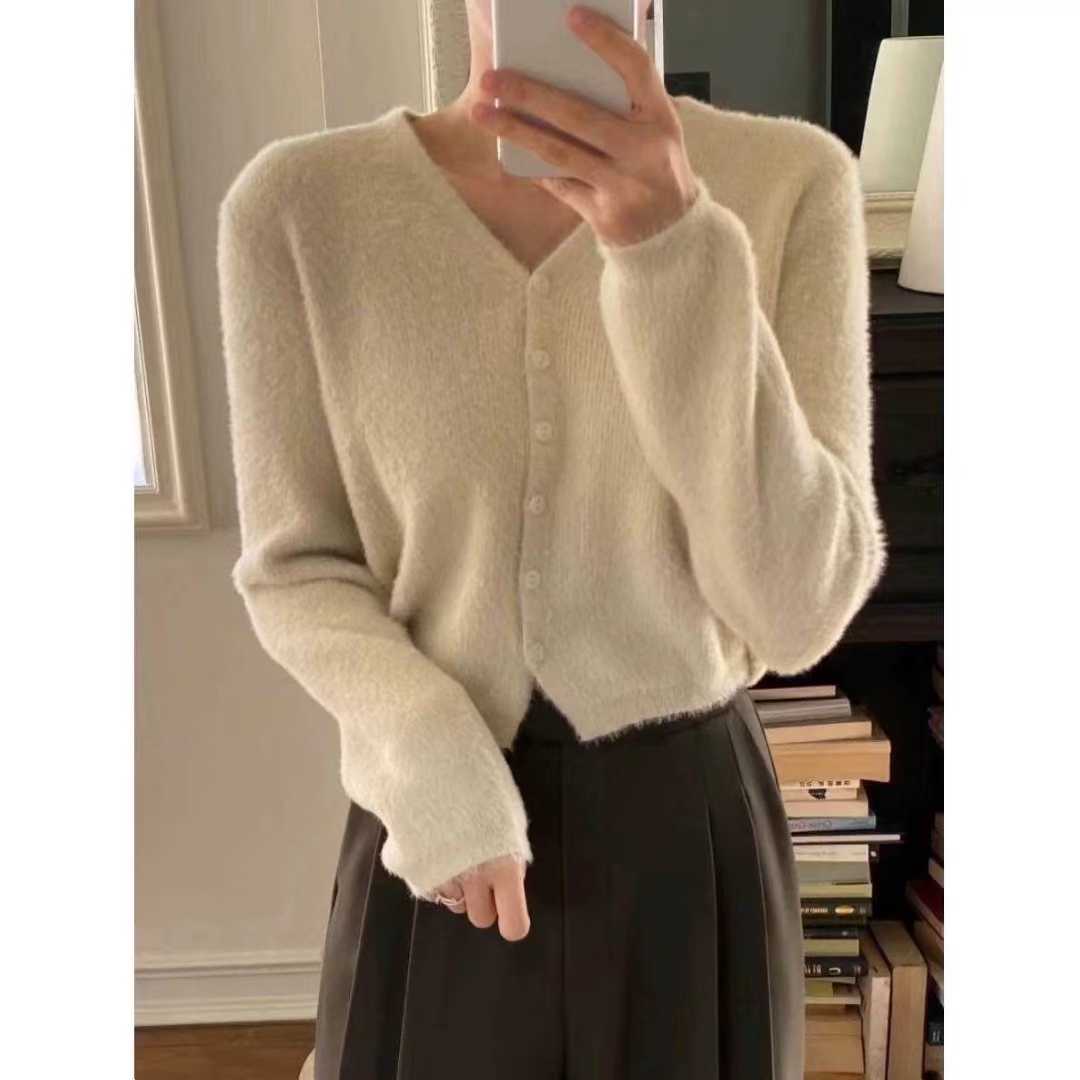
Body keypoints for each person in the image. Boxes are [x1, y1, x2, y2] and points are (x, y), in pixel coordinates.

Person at [217, 3, 887, 1077]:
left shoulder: (794, 182)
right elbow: (297, 567)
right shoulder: (299, 206)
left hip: (687, 840)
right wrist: (433, 760)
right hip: (440, 832)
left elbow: (798, 614)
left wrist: (673, 250)